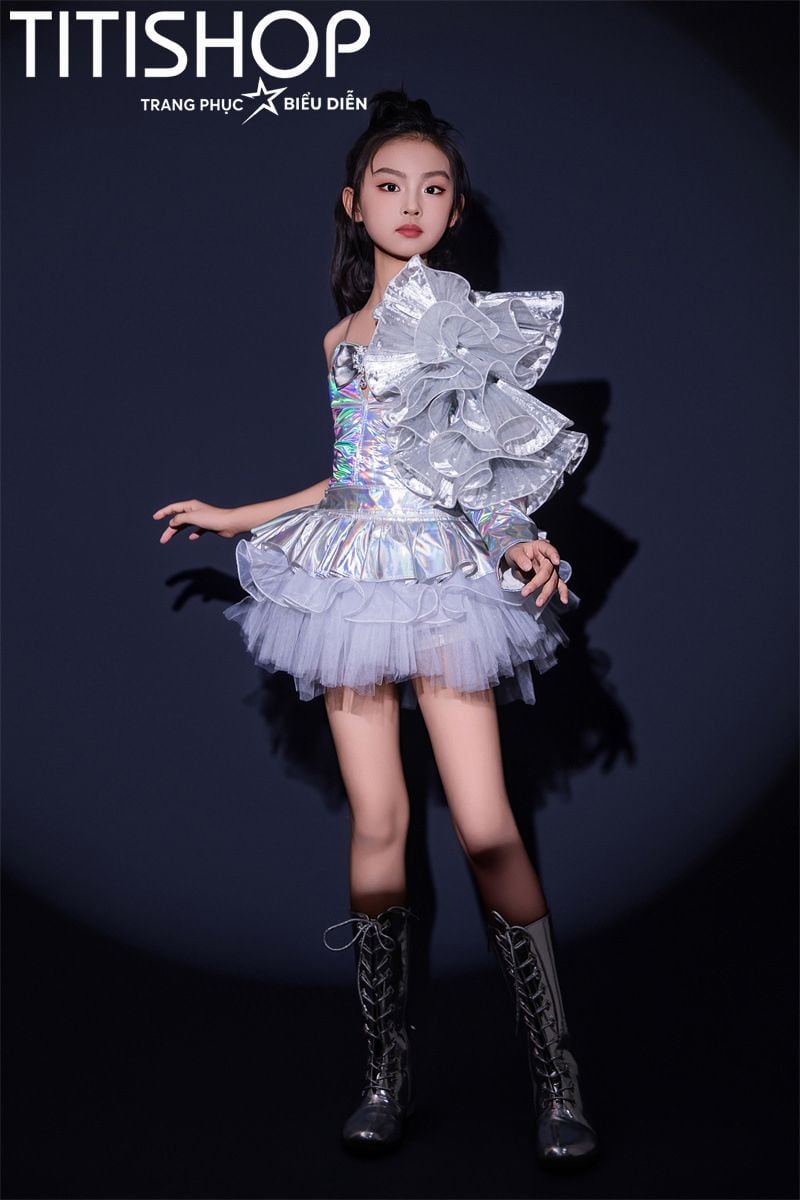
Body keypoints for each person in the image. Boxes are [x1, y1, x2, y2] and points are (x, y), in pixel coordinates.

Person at [152, 89, 599, 1171]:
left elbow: (476, 469)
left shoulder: (454, 317)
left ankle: (557, 1076)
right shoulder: (338, 337)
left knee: (486, 828)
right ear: (352, 203)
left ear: (454, 212)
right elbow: (351, 474)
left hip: (438, 575)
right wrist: (239, 515)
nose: (411, 203)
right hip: (350, 572)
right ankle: (384, 1075)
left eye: (433, 189)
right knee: (377, 824)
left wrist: (520, 540)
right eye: (390, 185)